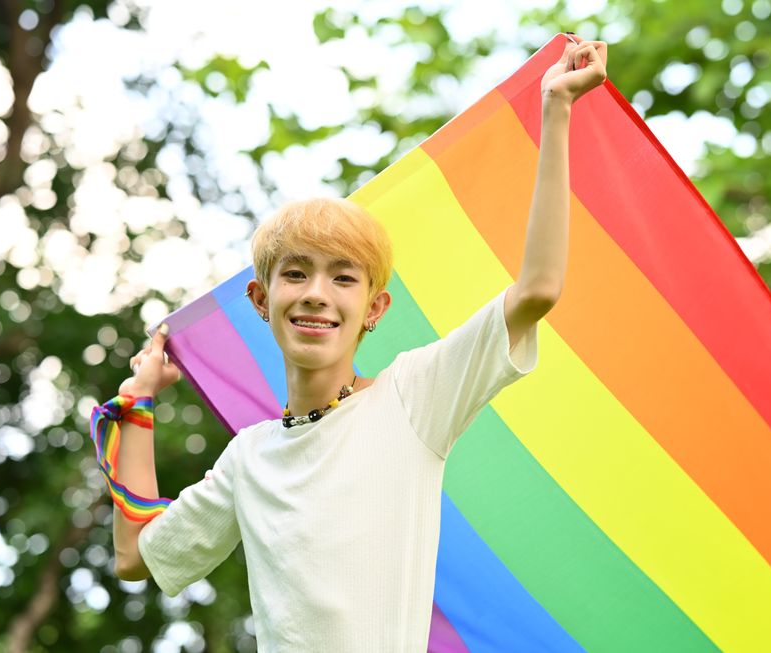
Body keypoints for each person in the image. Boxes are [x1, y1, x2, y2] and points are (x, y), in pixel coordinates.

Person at [104, 35, 607, 651]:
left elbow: (537, 289)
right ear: (262, 301)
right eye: (296, 273)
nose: (317, 293)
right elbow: (135, 557)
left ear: (373, 309)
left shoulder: (413, 399)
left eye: (343, 277)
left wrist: (556, 110)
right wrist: (137, 402)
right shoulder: (249, 458)